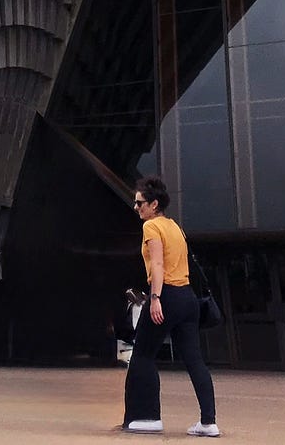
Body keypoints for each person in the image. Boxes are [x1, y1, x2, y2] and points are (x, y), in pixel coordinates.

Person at [122, 176, 219, 437]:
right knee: (195, 360)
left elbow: (157, 265)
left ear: (154, 204)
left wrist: (154, 299)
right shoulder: (175, 227)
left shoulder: (152, 228)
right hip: (188, 299)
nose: (136, 207)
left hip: (167, 296)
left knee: (142, 355)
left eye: (140, 203)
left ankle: (147, 417)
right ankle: (209, 423)